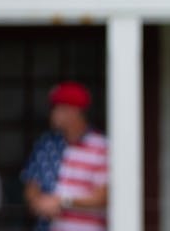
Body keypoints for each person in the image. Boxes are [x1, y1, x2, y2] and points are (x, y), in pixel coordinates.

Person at [21, 81, 109, 231]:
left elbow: (103, 197)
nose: (53, 114)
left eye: (58, 108)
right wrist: (37, 202)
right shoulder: (46, 144)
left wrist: (63, 201)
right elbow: (31, 184)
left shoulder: (101, 146)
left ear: (74, 111)